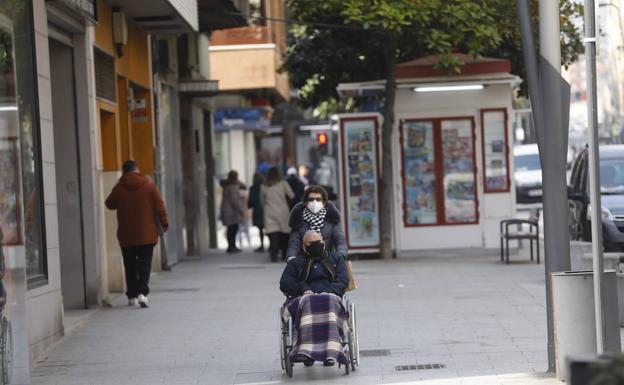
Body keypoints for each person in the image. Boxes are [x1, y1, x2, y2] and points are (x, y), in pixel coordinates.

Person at [279, 231, 350, 366]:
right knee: (308, 301)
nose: (316, 246)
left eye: (318, 242)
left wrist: (326, 291)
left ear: (323, 243)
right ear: (304, 246)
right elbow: (285, 283)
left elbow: (343, 281)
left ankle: (331, 350)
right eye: (311, 244)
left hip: (330, 296)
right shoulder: (295, 263)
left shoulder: (336, 259)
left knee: (328, 299)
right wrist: (303, 288)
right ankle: (305, 350)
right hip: (303, 298)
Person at [105, 160, 168, 308]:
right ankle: (142, 294)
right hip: (147, 234)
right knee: (144, 265)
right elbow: (160, 206)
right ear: (137, 170)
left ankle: (132, 295)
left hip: (127, 235)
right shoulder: (149, 185)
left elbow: (109, 204)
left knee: (130, 265)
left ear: (124, 171)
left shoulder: (119, 187)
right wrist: (164, 224)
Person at [287, 185, 347, 261]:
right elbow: (294, 243)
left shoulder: (331, 220)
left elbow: (340, 240)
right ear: (306, 202)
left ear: (324, 202)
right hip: (305, 262)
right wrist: (291, 256)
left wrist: (340, 254)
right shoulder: (299, 221)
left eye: (318, 199)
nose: (314, 202)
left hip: (327, 260)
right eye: (311, 199)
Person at [261, 167, 294, 261]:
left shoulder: (264, 186)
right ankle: (284, 253)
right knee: (284, 234)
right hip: (283, 211)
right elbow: (292, 195)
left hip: (269, 211)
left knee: (272, 233)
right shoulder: (283, 184)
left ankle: (274, 253)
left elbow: (262, 201)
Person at [220, 170, 246, 253]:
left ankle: (231, 246)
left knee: (231, 229)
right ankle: (232, 246)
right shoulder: (233, 187)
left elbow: (243, 186)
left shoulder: (227, 185)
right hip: (231, 212)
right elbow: (234, 201)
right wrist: (241, 210)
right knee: (233, 229)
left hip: (227, 210)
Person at [248, 173, 266, 252]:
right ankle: (272, 245)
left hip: (257, 211)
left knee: (260, 229)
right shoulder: (265, 187)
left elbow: (251, 201)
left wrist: (249, 205)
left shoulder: (253, 188)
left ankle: (262, 245)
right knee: (269, 228)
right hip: (266, 209)